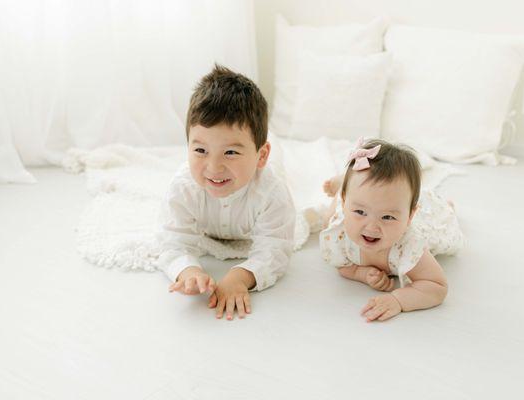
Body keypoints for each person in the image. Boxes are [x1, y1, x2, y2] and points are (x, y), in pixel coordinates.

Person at [157, 65, 295, 320]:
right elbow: (172, 243)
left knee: (283, 165)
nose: (213, 167)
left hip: (267, 170)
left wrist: (239, 277)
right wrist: (188, 271)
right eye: (200, 151)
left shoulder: (272, 193)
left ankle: (274, 146)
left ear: (261, 155)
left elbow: (275, 249)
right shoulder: (183, 188)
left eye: (230, 152)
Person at [320, 138, 463, 322]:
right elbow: (342, 265)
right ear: (345, 202)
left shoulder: (410, 246)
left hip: (429, 218)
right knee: (326, 221)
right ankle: (343, 186)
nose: (371, 227)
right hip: (368, 202)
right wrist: (361, 274)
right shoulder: (340, 232)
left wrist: (398, 300)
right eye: (360, 212)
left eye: (387, 217)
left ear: (410, 216)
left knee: (443, 212)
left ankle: (446, 206)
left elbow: (436, 286)